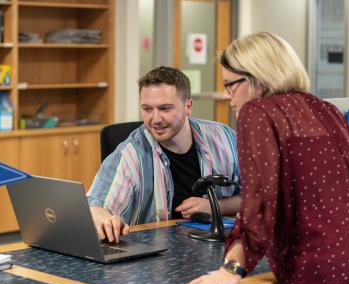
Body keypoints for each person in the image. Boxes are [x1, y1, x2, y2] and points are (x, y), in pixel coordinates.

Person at [185, 32, 349, 284]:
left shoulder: (257, 112)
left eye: (230, 85)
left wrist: (231, 268)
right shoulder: (323, 108)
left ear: (257, 79)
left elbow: (261, 200)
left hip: (324, 276)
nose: (226, 96)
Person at [88, 66, 241, 243]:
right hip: (157, 256)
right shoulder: (130, 153)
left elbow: (261, 198)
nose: (155, 119)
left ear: (188, 107)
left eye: (165, 108)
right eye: (147, 109)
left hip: (220, 246)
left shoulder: (224, 138)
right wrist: (100, 217)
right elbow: (96, 204)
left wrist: (216, 207)